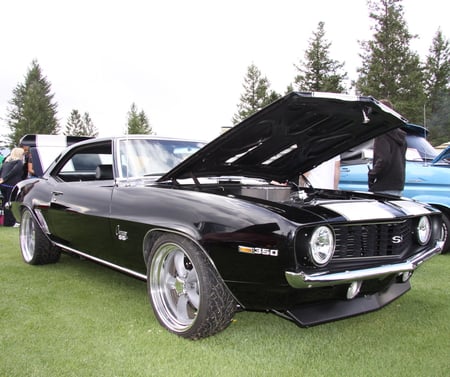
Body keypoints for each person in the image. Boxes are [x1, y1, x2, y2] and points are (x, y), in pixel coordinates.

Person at [368, 99, 407, 197]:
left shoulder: (382, 134)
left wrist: (372, 174)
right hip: (397, 184)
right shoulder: (401, 135)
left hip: (383, 185)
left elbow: (384, 159)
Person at [0, 147, 25, 226]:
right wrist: (4, 178)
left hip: (4, 185)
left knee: (6, 203)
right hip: (11, 185)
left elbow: (1, 171)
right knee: (12, 203)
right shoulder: (19, 162)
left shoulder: (6, 162)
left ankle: (6, 222)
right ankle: (11, 222)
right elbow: (14, 172)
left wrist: (2, 179)